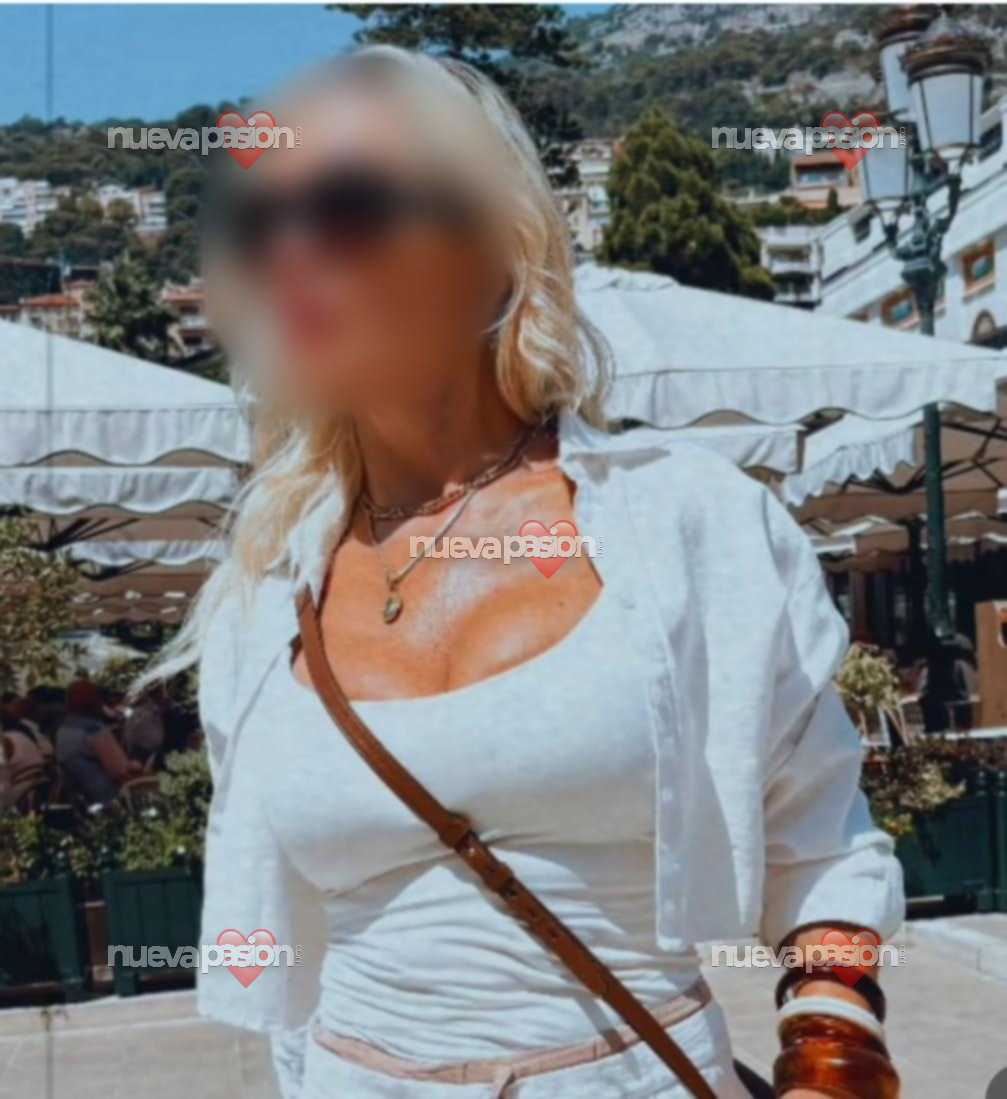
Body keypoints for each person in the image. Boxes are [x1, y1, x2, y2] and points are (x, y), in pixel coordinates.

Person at [141, 48, 904, 1099]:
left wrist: (832, 1058)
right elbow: (289, 967)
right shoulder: (260, 597)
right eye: (262, 223)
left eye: (349, 206)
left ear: (493, 245)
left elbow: (821, 846)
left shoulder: (685, 522)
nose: (292, 252)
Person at [55, 680, 141, 806]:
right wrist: (137, 766)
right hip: (108, 796)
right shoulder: (93, 728)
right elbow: (119, 770)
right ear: (95, 700)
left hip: (79, 799)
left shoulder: (62, 730)